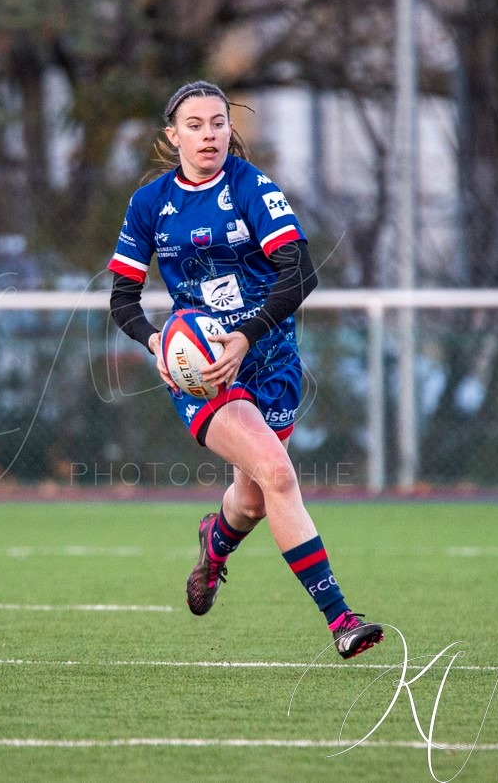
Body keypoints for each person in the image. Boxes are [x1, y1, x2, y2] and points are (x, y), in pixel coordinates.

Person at [107, 80, 383, 660]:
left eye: (218, 122)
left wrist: (246, 335)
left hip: (271, 360)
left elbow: (301, 273)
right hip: (205, 373)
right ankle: (341, 621)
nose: (209, 134)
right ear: (172, 135)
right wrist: (158, 343)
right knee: (279, 475)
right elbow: (123, 301)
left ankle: (216, 541)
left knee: (253, 500)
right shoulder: (150, 204)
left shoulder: (252, 188)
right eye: (196, 125)